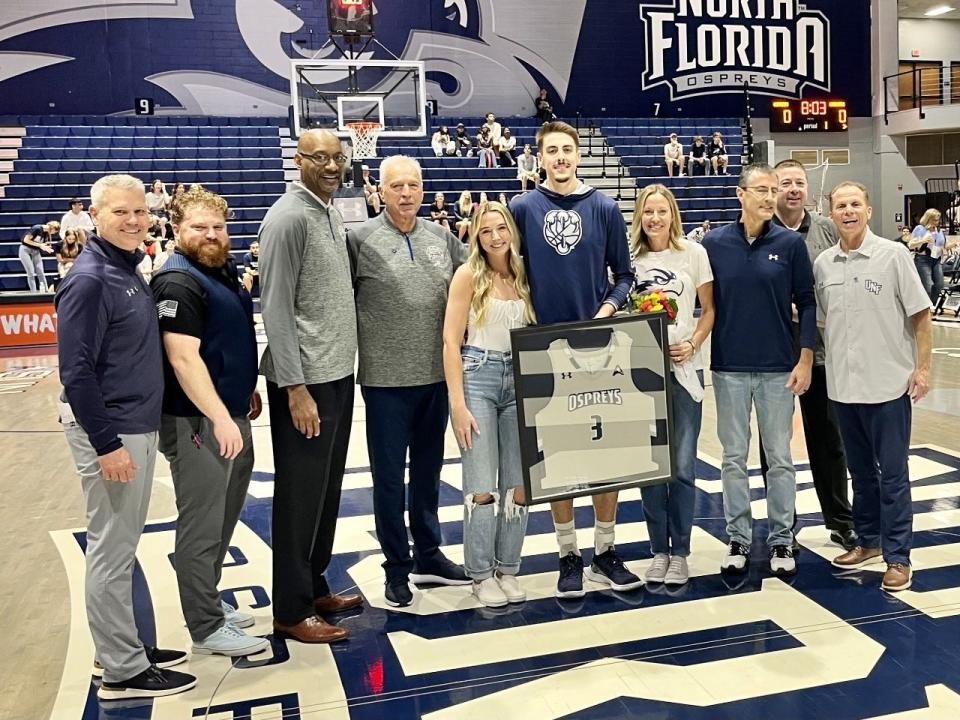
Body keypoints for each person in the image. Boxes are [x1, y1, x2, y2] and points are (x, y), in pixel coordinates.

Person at [56, 173, 196, 700]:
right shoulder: (91, 279)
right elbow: (76, 373)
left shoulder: (127, 269)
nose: (134, 220)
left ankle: (119, 646)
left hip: (132, 425)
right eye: (121, 212)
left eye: (140, 212)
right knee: (112, 550)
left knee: (119, 545)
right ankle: (122, 669)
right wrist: (107, 443)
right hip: (113, 431)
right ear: (94, 215)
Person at [509, 121, 639, 598]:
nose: (560, 158)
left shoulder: (604, 206)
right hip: (542, 350)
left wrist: (605, 310)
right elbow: (507, 272)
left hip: (599, 346)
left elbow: (624, 275)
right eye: (552, 151)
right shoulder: (522, 208)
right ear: (539, 158)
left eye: (567, 150)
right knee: (556, 458)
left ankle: (605, 551)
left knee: (608, 454)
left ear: (578, 155)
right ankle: (568, 555)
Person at [151, 185, 269, 657]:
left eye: (217, 227)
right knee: (201, 527)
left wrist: (245, 390)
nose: (211, 235)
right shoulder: (177, 282)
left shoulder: (221, 270)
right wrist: (219, 415)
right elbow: (183, 360)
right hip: (198, 422)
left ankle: (212, 602)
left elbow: (225, 340)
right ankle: (204, 626)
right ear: (177, 230)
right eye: (199, 227)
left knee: (224, 518)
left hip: (230, 413)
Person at [348, 155, 470, 608]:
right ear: (380, 191)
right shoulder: (358, 239)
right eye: (396, 185)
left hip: (436, 378)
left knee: (428, 472)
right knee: (387, 479)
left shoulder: (442, 238)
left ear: (423, 190)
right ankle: (395, 566)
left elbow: (473, 280)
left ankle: (429, 554)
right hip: (383, 383)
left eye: (413, 185)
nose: (405, 193)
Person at [259, 129, 360, 643]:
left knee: (325, 490)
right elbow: (274, 306)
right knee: (300, 496)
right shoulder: (288, 216)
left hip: (337, 373)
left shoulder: (327, 210)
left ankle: (314, 582)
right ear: (298, 159)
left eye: (336, 157)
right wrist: (295, 387)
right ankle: (291, 610)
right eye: (318, 157)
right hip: (307, 383)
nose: (330, 165)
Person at [818, 181, 933, 592]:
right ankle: (868, 541)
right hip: (843, 388)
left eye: (855, 204)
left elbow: (921, 316)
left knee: (893, 476)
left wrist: (922, 369)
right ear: (831, 215)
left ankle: (899, 557)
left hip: (888, 387)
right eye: (840, 206)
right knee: (860, 473)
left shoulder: (894, 256)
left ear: (868, 209)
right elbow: (822, 321)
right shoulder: (824, 264)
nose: (848, 211)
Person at [701, 163, 815, 577]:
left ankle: (782, 538)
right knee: (733, 458)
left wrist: (805, 357)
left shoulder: (789, 244)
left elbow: (807, 301)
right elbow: (703, 302)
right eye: (762, 190)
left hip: (776, 369)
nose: (771, 197)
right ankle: (738, 537)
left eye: (774, 190)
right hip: (728, 366)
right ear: (740, 194)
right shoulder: (713, 244)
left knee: (780, 457)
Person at [758, 159, 857, 550]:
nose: (793, 189)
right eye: (785, 183)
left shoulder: (829, 229)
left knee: (829, 440)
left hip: (820, 354)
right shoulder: (761, 233)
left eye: (799, 182)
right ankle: (784, 525)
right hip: (775, 357)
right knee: (775, 446)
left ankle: (840, 520)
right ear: (773, 189)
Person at [442, 201, 536, 607]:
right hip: (478, 376)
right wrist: (457, 403)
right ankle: (480, 573)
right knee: (481, 486)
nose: (496, 237)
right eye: (486, 231)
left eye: (501, 228)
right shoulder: (468, 275)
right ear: (476, 237)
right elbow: (450, 340)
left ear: (511, 231)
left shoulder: (526, 274)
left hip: (520, 380)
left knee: (518, 485)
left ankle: (508, 568)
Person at [629, 185, 715, 586]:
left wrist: (693, 343)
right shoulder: (629, 259)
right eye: (648, 212)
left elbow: (709, 309)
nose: (655, 218)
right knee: (650, 468)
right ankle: (657, 551)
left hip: (683, 371)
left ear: (672, 214)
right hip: (640, 376)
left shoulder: (693, 254)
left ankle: (680, 550)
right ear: (640, 216)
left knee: (681, 466)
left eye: (662, 211)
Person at [910, 209, 947, 305]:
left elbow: (942, 246)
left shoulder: (939, 231)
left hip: (936, 259)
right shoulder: (920, 229)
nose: (936, 222)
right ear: (928, 219)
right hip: (923, 260)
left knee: (939, 284)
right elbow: (911, 245)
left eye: (937, 220)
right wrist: (923, 240)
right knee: (928, 285)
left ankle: (932, 305)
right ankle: (926, 308)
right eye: (934, 220)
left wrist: (952, 245)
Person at [20, 221, 57, 292]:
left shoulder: (46, 234)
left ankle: (45, 291)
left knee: (40, 271)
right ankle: (33, 293)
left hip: (35, 251)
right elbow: (26, 240)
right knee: (30, 272)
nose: (54, 233)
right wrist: (40, 245)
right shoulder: (36, 228)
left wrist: (45, 248)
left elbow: (41, 244)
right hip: (25, 249)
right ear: (52, 228)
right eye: (55, 231)